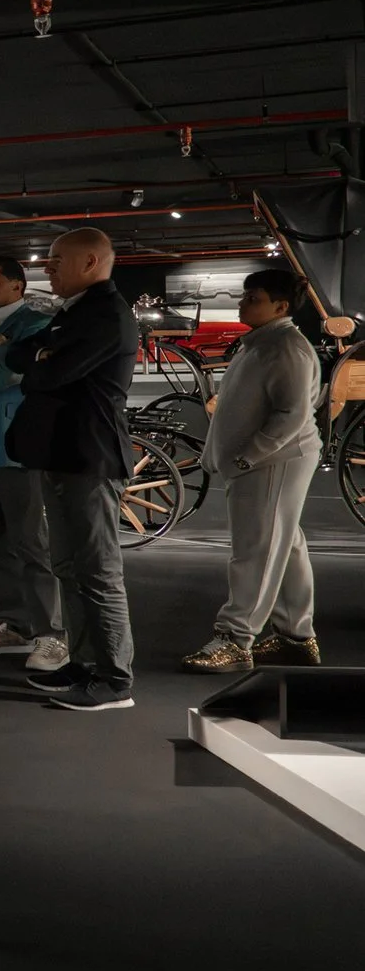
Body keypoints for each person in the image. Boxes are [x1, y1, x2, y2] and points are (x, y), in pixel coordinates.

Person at [5, 228, 140, 712]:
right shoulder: (78, 312)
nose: (47, 267)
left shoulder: (106, 314)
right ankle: (84, 664)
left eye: (57, 259)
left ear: (90, 262)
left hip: (89, 457)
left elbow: (50, 374)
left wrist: (43, 359)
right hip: (62, 455)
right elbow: (17, 353)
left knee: (98, 570)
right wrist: (42, 355)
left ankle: (114, 678)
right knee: (68, 566)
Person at [185, 268, 324, 673]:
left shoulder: (285, 348)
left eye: (253, 298)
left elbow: (292, 414)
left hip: (273, 462)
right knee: (284, 545)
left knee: (256, 550)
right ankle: (295, 637)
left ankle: (235, 638)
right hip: (268, 461)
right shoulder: (265, 343)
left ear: (280, 306)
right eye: (245, 296)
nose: (243, 303)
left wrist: (249, 456)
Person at [0, 254, 64, 666]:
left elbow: (14, 372)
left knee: (30, 542)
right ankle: (14, 623)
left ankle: (51, 633)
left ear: (17, 286)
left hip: (15, 454)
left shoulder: (34, 323)